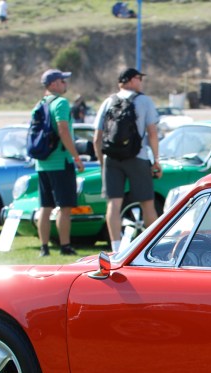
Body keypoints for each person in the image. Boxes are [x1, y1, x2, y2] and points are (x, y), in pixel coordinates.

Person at [93, 68, 160, 253]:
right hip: (137, 156)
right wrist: (156, 160)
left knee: (113, 203)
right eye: (139, 79)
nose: (141, 82)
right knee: (147, 202)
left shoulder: (108, 101)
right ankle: (152, 246)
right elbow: (152, 132)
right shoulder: (144, 101)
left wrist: (102, 162)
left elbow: (97, 138)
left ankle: (115, 247)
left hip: (111, 158)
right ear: (130, 80)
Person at [34, 69, 85, 257]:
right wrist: (76, 157)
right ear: (54, 84)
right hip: (61, 162)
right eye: (63, 81)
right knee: (64, 208)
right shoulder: (61, 103)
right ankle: (65, 246)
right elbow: (63, 130)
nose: (65, 84)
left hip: (42, 163)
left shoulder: (38, 104)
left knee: (45, 208)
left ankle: (44, 248)